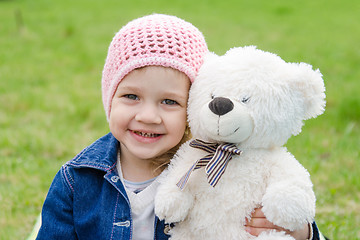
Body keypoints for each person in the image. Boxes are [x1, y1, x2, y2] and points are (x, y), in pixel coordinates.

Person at [36, 14, 326, 240]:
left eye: (169, 102)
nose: (148, 116)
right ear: (109, 97)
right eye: (131, 96)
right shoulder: (76, 180)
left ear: (193, 107)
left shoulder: (217, 170)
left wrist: (303, 233)